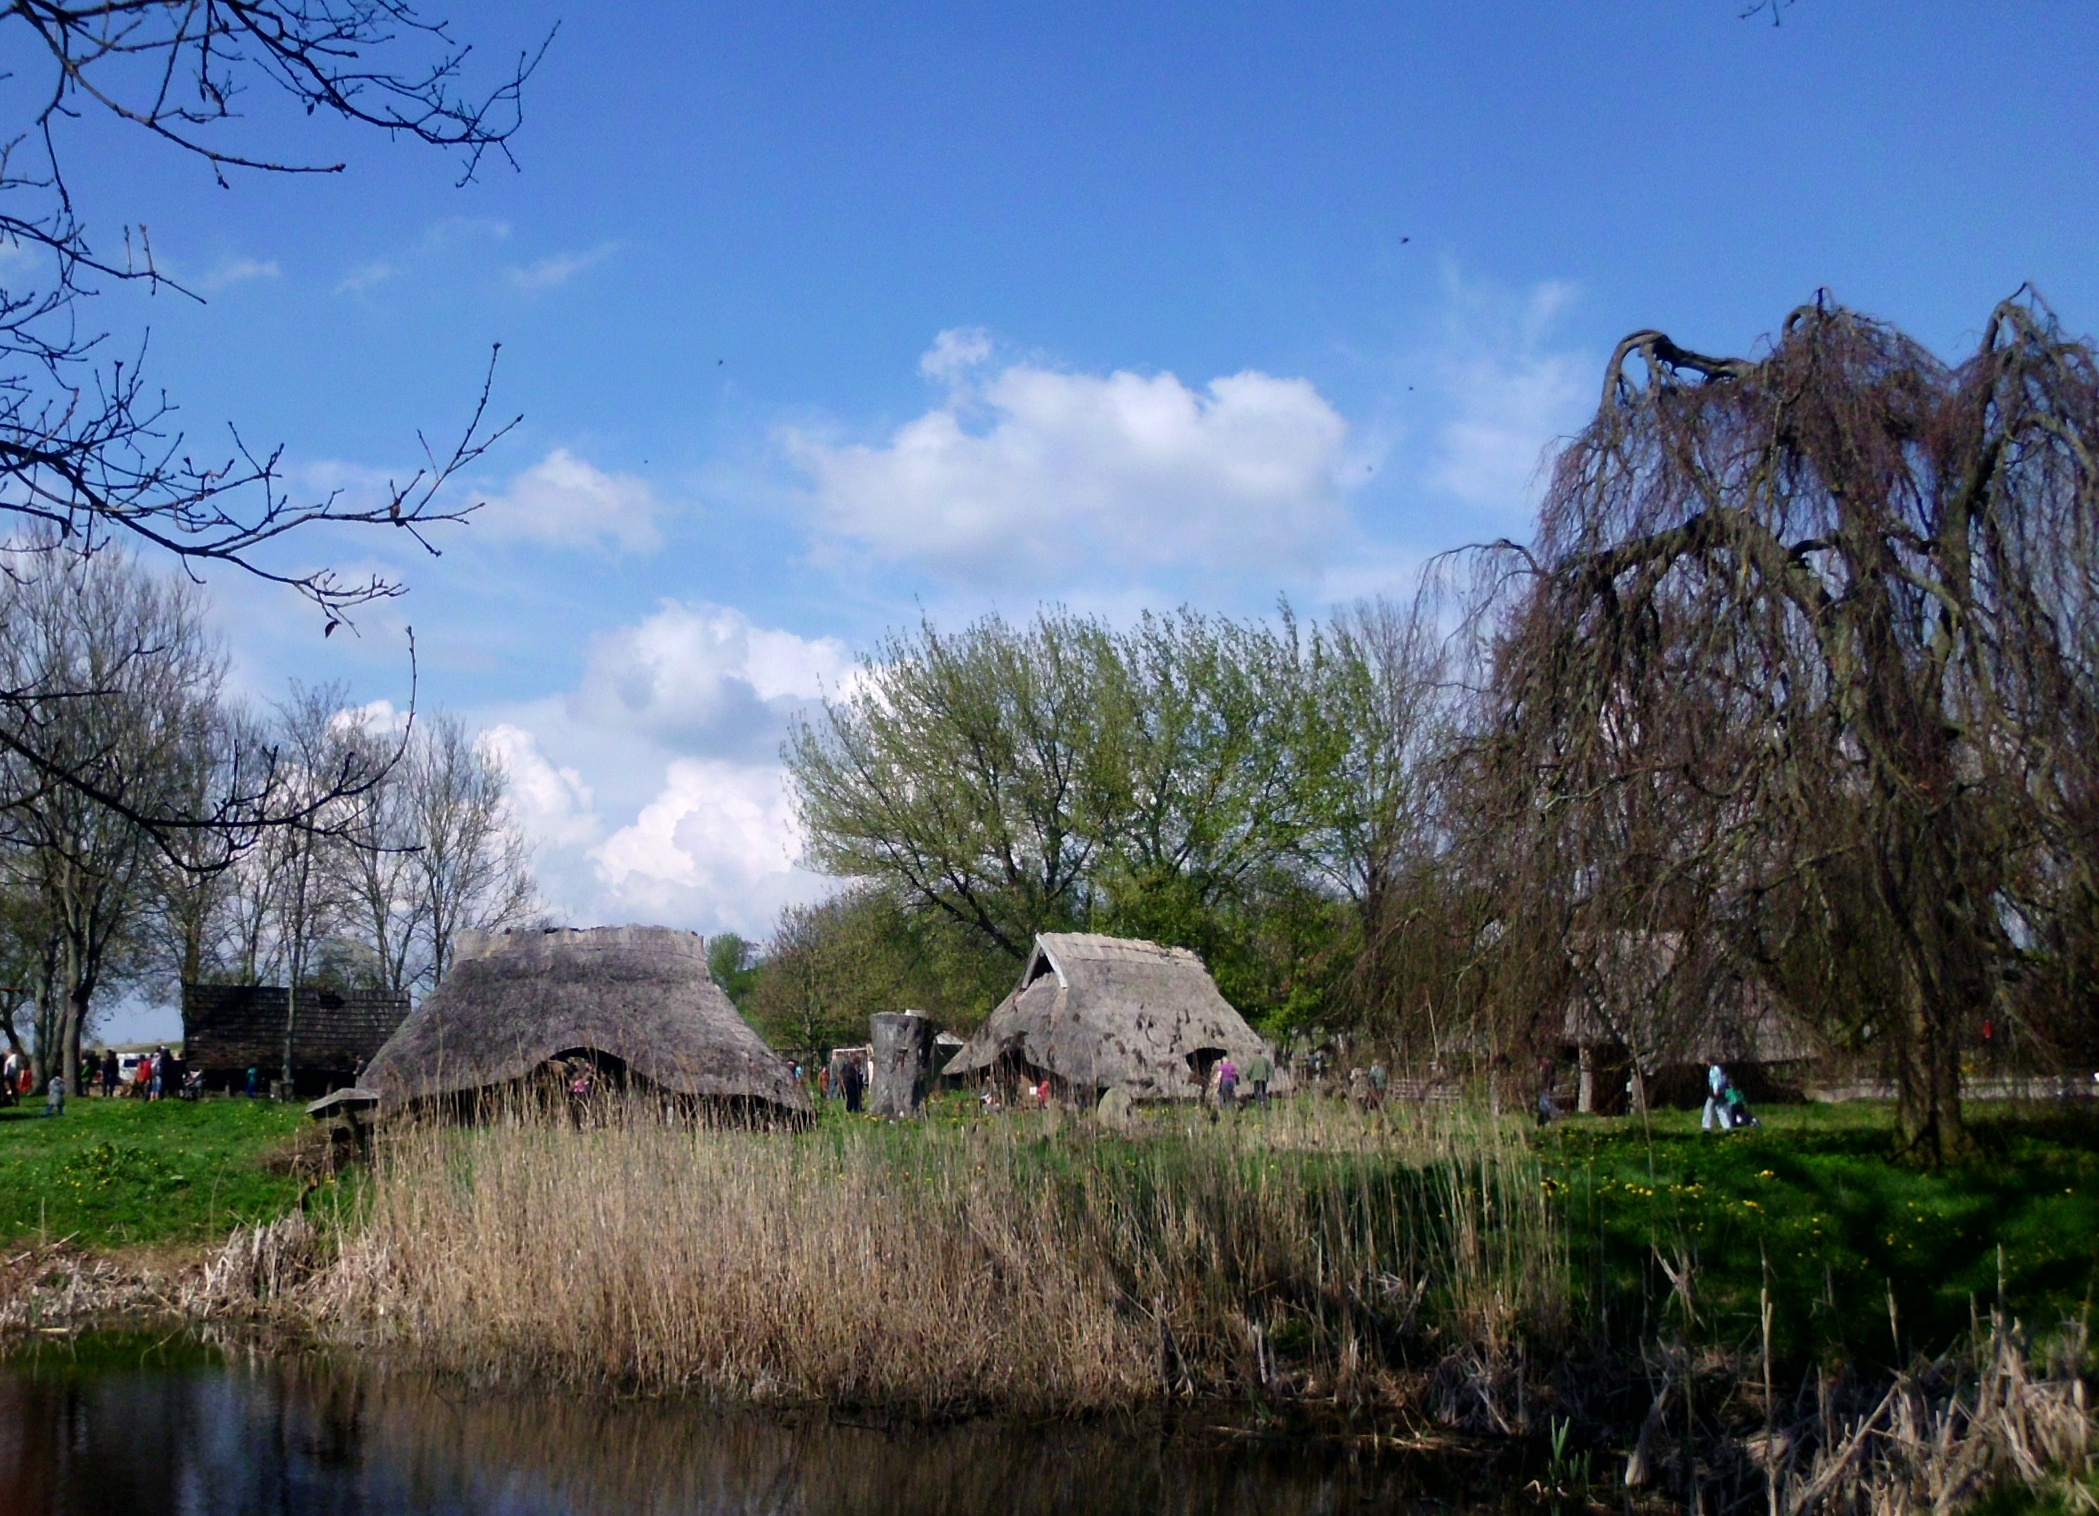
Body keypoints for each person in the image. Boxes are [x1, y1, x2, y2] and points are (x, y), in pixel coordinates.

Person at [1702, 1063, 1732, 1132]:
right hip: (1720, 1091)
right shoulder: (1719, 1069)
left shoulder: (1715, 1069)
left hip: (1715, 1091)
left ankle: (1707, 1126)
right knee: (1720, 1109)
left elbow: (1716, 1080)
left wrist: (1715, 1090)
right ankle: (1726, 1126)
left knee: (1709, 1108)